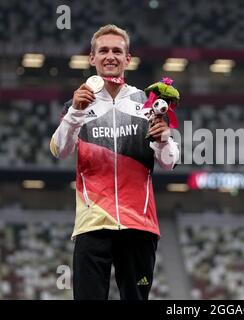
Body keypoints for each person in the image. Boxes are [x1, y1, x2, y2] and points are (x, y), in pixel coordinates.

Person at [50, 24, 180, 300]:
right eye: (104, 50)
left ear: (127, 58)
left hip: (139, 225)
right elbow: (60, 150)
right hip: (92, 223)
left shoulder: (148, 103)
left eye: (117, 51)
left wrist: (165, 139)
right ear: (92, 58)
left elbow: (169, 163)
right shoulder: (77, 104)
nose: (110, 56)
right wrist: (75, 112)